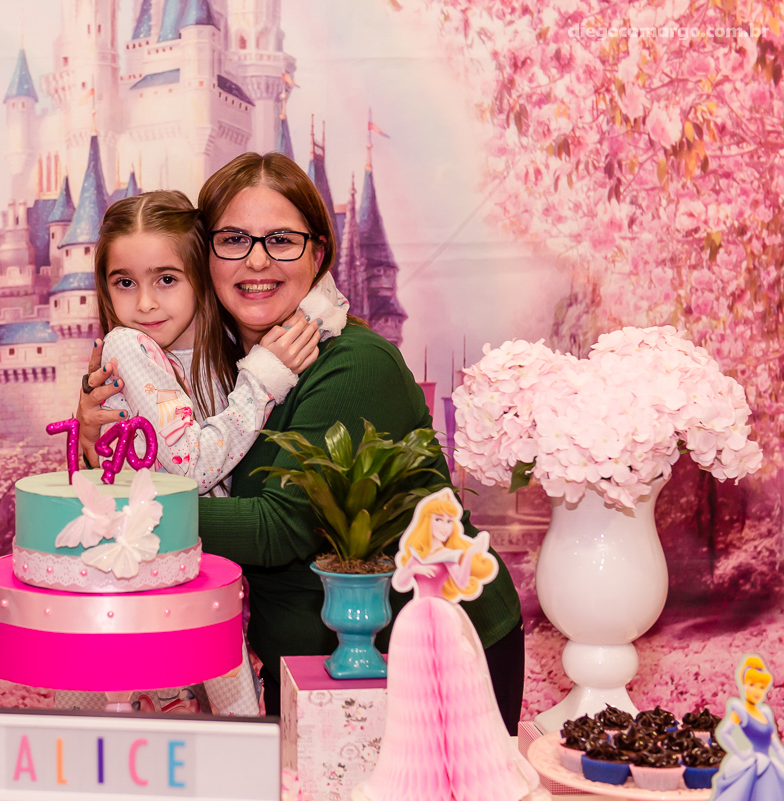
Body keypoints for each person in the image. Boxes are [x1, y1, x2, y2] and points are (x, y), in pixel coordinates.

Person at [78, 151, 523, 725]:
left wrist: (116, 514)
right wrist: (103, 436)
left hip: (425, 656)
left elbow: (279, 529)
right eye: (233, 239)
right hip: (307, 669)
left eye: (282, 240)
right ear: (204, 258)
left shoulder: (354, 365)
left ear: (318, 254)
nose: (257, 260)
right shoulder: (224, 368)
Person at [90, 189, 347, 495]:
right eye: (125, 283)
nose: (145, 304)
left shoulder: (224, 338)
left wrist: (312, 313)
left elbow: (329, 300)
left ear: (202, 275)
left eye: (167, 280)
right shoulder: (128, 345)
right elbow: (192, 470)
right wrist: (264, 377)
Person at [363, 488, 539, 801]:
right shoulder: (415, 552)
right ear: (427, 521)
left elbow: (459, 583)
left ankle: (463, 774)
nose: (445, 526)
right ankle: (422, 776)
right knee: (417, 695)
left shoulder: (451, 554)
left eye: (449, 520)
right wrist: (415, 567)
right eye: (439, 520)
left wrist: (468, 557)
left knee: (458, 689)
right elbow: (400, 581)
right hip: (416, 620)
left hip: (445, 618)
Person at [710, 654, 784, 800]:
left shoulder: (765, 713)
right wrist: (740, 754)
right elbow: (724, 733)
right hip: (754, 764)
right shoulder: (741, 711)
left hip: (768, 765)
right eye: (752, 685)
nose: (757, 691)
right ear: (744, 684)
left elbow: (776, 746)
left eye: (761, 687)